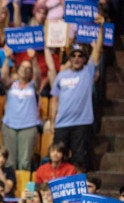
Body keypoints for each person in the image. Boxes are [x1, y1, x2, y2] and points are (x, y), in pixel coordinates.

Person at [49, 15, 104, 170]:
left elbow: (97, 51)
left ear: (84, 58)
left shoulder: (88, 72)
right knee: (58, 158)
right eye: (74, 55)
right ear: (70, 58)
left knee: (79, 160)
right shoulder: (62, 75)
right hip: (62, 124)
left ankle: (78, 191)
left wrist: (100, 29)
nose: (77, 58)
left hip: (81, 123)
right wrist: (53, 121)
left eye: (80, 56)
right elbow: (54, 100)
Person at [0, 46, 41, 171]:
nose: (25, 70)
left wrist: (33, 59)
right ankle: (9, 190)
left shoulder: (33, 86)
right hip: (9, 126)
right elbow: (3, 77)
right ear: (18, 70)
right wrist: (7, 59)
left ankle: (25, 190)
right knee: (9, 162)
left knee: (25, 163)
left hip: (28, 127)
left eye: (28, 69)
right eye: (23, 67)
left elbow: (38, 76)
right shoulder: (11, 85)